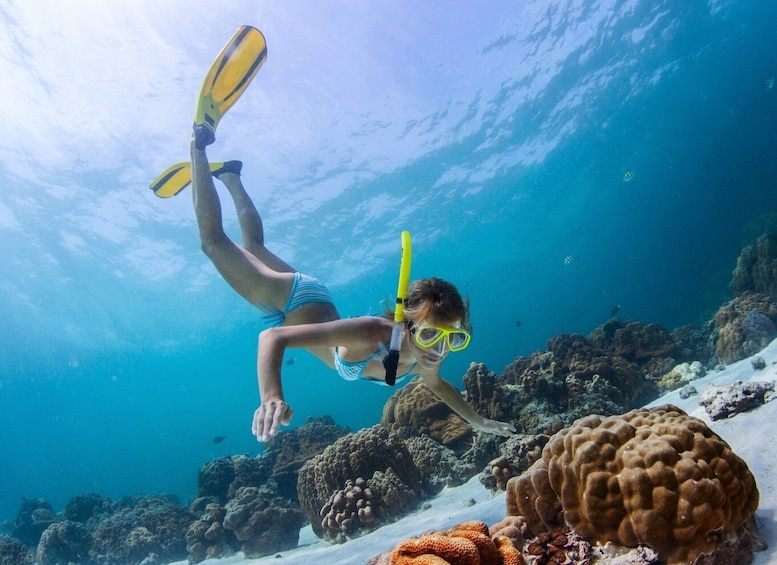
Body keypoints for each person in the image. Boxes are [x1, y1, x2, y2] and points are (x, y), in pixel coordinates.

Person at [189, 137, 516, 442]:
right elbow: (273, 338)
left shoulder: (428, 351)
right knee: (213, 243)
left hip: (316, 304)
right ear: (406, 325)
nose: (440, 351)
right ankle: (198, 144)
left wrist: (478, 421)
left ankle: (231, 175)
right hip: (292, 301)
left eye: (454, 339)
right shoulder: (373, 334)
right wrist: (271, 397)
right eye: (431, 336)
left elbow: (438, 385)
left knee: (254, 247)